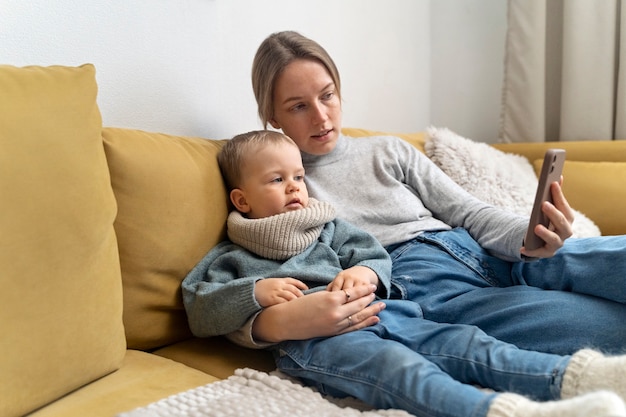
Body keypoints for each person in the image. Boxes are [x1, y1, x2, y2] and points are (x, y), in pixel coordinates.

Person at [183, 129, 626, 417]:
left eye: (297, 176)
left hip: (395, 300)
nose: (296, 186)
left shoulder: (329, 226)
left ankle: (577, 377)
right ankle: (505, 409)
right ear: (241, 201)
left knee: (466, 341)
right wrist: (258, 296)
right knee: (406, 368)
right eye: (278, 180)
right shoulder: (233, 255)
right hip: (325, 337)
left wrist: (366, 274)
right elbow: (201, 304)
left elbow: (371, 252)